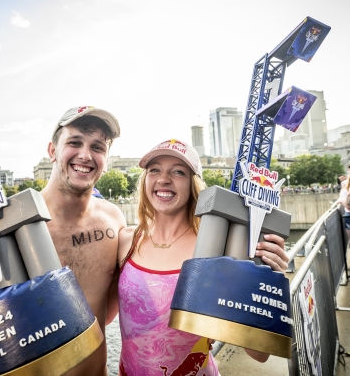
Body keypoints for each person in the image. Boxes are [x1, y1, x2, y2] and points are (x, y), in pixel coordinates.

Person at [0, 106, 127, 376]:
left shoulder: (113, 220)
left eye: (97, 147)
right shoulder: (5, 230)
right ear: (52, 151)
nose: (85, 155)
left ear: (106, 159)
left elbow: (108, 309)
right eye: (74, 142)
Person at [108, 140, 288, 375]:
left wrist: (269, 282)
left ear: (194, 185)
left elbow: (259, 353)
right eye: (154, 170)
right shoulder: (126, 241)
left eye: (178, 172)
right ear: (145, 181)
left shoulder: (216, 250)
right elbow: (101, 316)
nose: (163, 179)